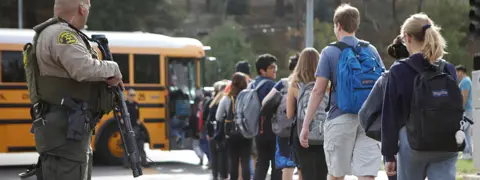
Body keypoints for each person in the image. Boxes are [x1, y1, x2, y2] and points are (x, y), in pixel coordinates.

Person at [26, 0, 123, 179]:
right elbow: (82, 68)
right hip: (65, 133)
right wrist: (113, 68)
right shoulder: (62, 34)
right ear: (81, 8)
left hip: (68, 130)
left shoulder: (55, 32)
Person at [299, 4, 384, 180]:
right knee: (366, 174)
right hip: (369, 120)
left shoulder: (330, 52)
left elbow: (318, 91)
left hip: (340, 117)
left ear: (338, 25)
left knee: (336, 174)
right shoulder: (371, 50)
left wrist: (306, 125)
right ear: (356, 25)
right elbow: (383, 83)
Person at [382, 13, 459, 179]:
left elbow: (390, 117)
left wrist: (389, 155)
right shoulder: (448, 69)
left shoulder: (399, 70)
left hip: (414, 144)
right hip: (447, 143)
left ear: (408, 38)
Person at [357, 36, 409, 180]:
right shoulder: (425, 75)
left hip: (394, 145)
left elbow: (365, 114)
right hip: (423, 142)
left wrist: (380, 134)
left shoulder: (386, 78)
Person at [285, 48, 328, 180]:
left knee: (307, 172)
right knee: (322, 172)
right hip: (325, 132)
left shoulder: (295, 84)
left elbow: (289, 114)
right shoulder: (328, 83)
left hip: (303, 134)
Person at [262, 53, 300, 180]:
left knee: (287, 165)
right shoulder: (309, 83)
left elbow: (266, 101)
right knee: (302, 165)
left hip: (284, 129)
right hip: (303, 128)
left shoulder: (283, 83)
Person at [250, 54, 282, 180]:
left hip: (259, 129)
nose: (275, 70)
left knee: (261, 163)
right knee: (276, 164)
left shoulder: (253, 85)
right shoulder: (271, 86)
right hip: (272, 129)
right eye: (272, 68)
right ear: (262, 70)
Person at [216, 72, 252, 180]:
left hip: (231, 134)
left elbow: (218, 117)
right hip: (246, 132)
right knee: (245, 160)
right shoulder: (250, 97)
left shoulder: (227, 98)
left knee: (233, 161)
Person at [207, 80, 230, 180]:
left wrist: (209, 132)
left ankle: (215, 175)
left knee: (214, 156)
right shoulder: (228, 100)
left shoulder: (213, 102)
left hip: (213, 132)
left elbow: (208, 119)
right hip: (224, 133)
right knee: (223, 156)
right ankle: (223, 175)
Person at [123, 89, 149, 168]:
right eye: (131, 95)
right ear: (127, 96)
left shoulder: (136, 104)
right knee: (128, 145)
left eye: (134, 95)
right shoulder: (124, 104)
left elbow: (137, 117)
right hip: (127, 127)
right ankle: (127, 163)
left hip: (135, 127)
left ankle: (143, 161)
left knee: (139, 145)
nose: (132, 97)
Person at [456, 65, 474, 160]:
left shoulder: (465, 81)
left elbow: (465, 96)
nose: (456, 74)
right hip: (467, 109)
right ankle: (468, 151)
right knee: (466, 131)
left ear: (461, 72)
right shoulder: (466, 80)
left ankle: (467, 152)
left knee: (463, 130)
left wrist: (461, 108)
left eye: (457, 72)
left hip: (466, 110)